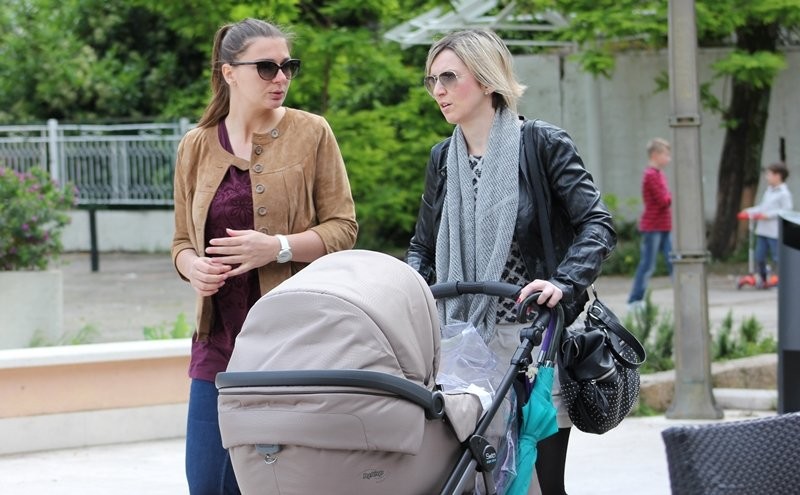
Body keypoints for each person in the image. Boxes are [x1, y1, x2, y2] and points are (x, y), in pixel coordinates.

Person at [405, 28, 616, 495]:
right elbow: (423, 247)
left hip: (533, 342)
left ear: (485, 80)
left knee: (541, 482)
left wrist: (563, 281)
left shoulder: (541, 144)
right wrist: (409, 293)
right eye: (432, 80)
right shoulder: (443, 159)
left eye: (449, 77)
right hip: (461, 341)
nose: (438, 90)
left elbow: (597, 225)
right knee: (474, 481)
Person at [171, 18, 357, 494]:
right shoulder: (195, 145)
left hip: (293, 342)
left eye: (288, 66)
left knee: (284, 483)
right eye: (267, 67)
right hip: (218, 344)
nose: (281, 78)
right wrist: (193, 268)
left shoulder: (312, 132)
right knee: (207, 484)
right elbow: (181, 242)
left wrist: (277, 247)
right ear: (229, 72)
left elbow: (343, 228)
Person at [627, 137, 673, 309]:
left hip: (664, 226)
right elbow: (663, 200)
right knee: (647, 265)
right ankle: (635, 300)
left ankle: (683, 296)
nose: (668, 159)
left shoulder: (659, 174)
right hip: (653, 227)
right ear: (655, 155)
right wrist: (671, 195)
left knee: (674, 262)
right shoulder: (651, 175)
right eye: (666, 155)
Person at [740, 161, 793, 287]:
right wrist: (748, 212)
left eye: (769, 174)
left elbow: (786, 210)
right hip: (763, 230)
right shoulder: (769, 191)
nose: (767, 177)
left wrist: (768, 215)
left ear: (778, 176)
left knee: (777, 257)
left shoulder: (784, 193)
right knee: (759, 256)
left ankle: (781, 281)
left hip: (774, 231)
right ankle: (763, 279)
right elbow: (762, 207)